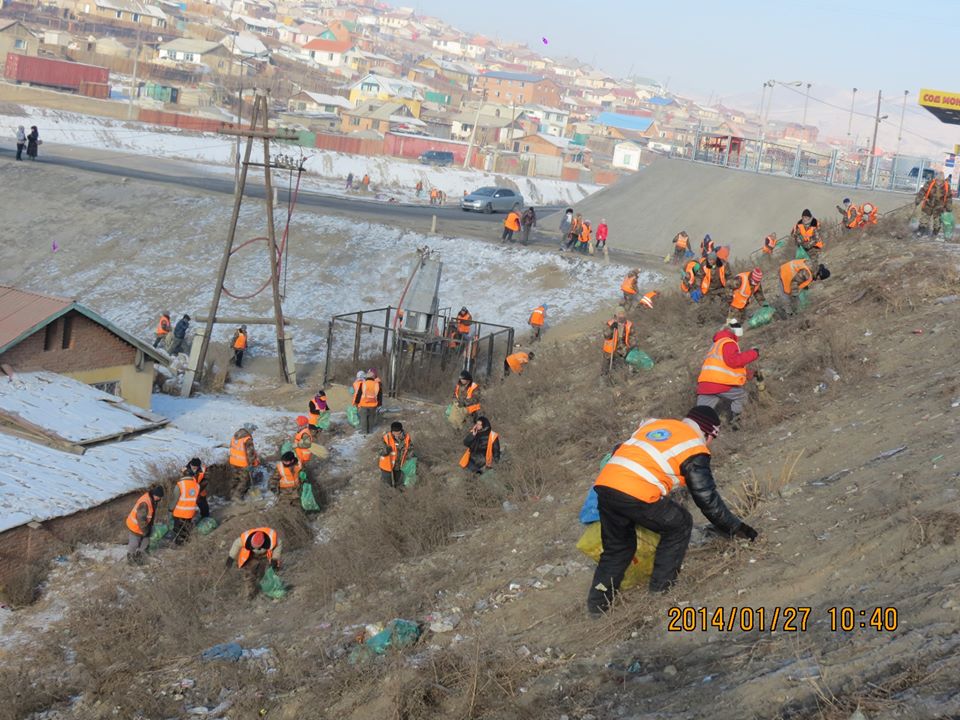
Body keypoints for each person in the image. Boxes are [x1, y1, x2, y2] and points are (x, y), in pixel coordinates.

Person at [586, 406, 757, 614]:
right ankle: (660, 592)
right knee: (680, 523)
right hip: (635, 490)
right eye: (712, 437)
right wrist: (736, 528)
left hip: (606, 485)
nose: (710, 444)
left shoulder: (658, 426)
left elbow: (621, 451)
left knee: (618, 548)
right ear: (707, 432)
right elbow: (706, 498)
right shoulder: (694, 445)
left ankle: (597, 606)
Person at [696, 320, 760, 430]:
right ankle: (736, 423)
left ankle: (694, 434)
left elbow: (726, 367)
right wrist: (753, 353)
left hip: (705, 385)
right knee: (742, 396)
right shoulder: (728, 342)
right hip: (720, 384)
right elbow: (733, 361)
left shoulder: (716, 344)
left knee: (700, 416)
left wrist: (751, 374)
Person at [226, 527, 282, 599]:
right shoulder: (246, 538)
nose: (254, 546)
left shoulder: (271, 540)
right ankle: (250, 593)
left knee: (265, 573)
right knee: (249, 574)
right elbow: (236, 543)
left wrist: (275, 558)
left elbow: (278, 545)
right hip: (251, 555)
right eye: (253, 545)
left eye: (256, 546)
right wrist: (231, 557)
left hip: (265, 556)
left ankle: (267, 589)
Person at [125, 485, 164, 564]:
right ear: (154, 494)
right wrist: (145, 531)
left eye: (160, 497)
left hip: (145, 525)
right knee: (134, 544)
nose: (159, 498)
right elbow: (141, 519)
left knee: (145, 541)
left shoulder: (153, 500)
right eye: (158, 496)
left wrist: (148, 528)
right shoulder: (145, 503)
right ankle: (130, 559)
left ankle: (139, 556)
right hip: (135, 526)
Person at [601, 307, 637, 374]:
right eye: (619, 314)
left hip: (624, 348)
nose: (621, 316)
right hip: (610, 350)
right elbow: (606, 336)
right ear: (616, 315)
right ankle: (604, 381)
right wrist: (611, 328)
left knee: (627, 364)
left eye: (623, 313)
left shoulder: (629, 324)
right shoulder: (610, 324)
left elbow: (633, 338)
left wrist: (629, 348)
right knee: (605, 370)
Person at [916, 172, 952, 237]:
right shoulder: (929, 183)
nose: (938, 182)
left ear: (943, 180)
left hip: (939, 206)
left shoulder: (947, 186)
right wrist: (918, 200)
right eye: (937, 180)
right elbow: (922, 191)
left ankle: (934, 234)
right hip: (928, 204)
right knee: (924, 219)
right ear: (935, 179)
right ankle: (920, 232)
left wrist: (948, 207)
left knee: (937, 222)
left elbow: (949, 197)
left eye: (940, 181)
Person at [379, 421, 413, 490]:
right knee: (386, 485)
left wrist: (410, 457)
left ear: (401, 430)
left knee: (399, 483)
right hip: (386, 466)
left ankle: (398, 496)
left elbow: (410, 448)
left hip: (399, 465)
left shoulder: (407, 437)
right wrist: (386, 450)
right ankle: (386, 498)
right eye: (394, 432)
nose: (396, 434)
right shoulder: (386, 438)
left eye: (398, 432)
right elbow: (380, 451)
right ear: (391, 431)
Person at [228, 426, 260, 499]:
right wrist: (251, 464)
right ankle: (237, 497)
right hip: (243, 464)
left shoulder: (234, 437)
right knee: (244, 481)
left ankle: (232, 494)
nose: (252, 433)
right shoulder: (247, 439)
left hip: (233, 462)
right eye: (252, 431)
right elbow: (250, 453)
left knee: (235, 479)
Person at [169, 472, 200, 545]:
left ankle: (179, 544)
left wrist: (170, 509)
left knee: (178, 529)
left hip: (179, 512)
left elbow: (175, 499)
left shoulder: (180, 485)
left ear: (183, 475)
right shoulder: (197, 485)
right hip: (190, 512)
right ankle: (186, 541)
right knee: (186, 528)